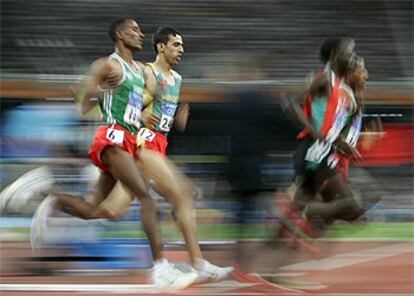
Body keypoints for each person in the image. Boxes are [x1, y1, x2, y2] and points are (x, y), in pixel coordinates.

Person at [28, 18, 198, 290]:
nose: (140, 34)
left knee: (96, 208)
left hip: (130, 140)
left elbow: (149, 97)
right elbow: (82, 103)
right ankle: (160, 269)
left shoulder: (139, 70)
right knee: (146, 197)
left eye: (140, 30)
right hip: (112, 137)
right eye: (134, 30)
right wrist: (101, 90)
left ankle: (53, 197)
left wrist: (157, 111)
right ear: (120, 35)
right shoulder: (108, 65)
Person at [100, 26, 234, 282]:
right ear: (161, 47)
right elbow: (131, 104)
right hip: (143, 145)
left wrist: (177, 122)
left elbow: (164, 119)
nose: (181, 50)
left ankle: (55, 201)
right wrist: (139, 114)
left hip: (159, 145)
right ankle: (192, 263)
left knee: (112, 210)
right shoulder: (148, 73)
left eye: (182, 45)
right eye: (176, 45)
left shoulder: (178, 79)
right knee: (184, 195)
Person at [279, 37, 366, 236]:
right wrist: (313, 130)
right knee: (350, 207)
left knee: (299, 205)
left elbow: (333, 124)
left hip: (324, 151)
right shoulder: (325, 79)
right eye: (349, 52)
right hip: (314, 151)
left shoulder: (341, 85)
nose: (352, 56)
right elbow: (288, 102)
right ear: (335, 55)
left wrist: (341, 141)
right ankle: (310, 217)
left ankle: (275, 244)